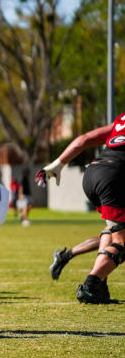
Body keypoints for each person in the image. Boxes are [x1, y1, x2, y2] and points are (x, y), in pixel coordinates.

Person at [36, 112, 125, 303]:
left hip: (93, 174)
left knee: (112, 232)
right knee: (122, 242)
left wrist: (57, 165)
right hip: (114, 176)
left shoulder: (122, 119)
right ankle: (91, 285)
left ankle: (99, 287)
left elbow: (84, 139)